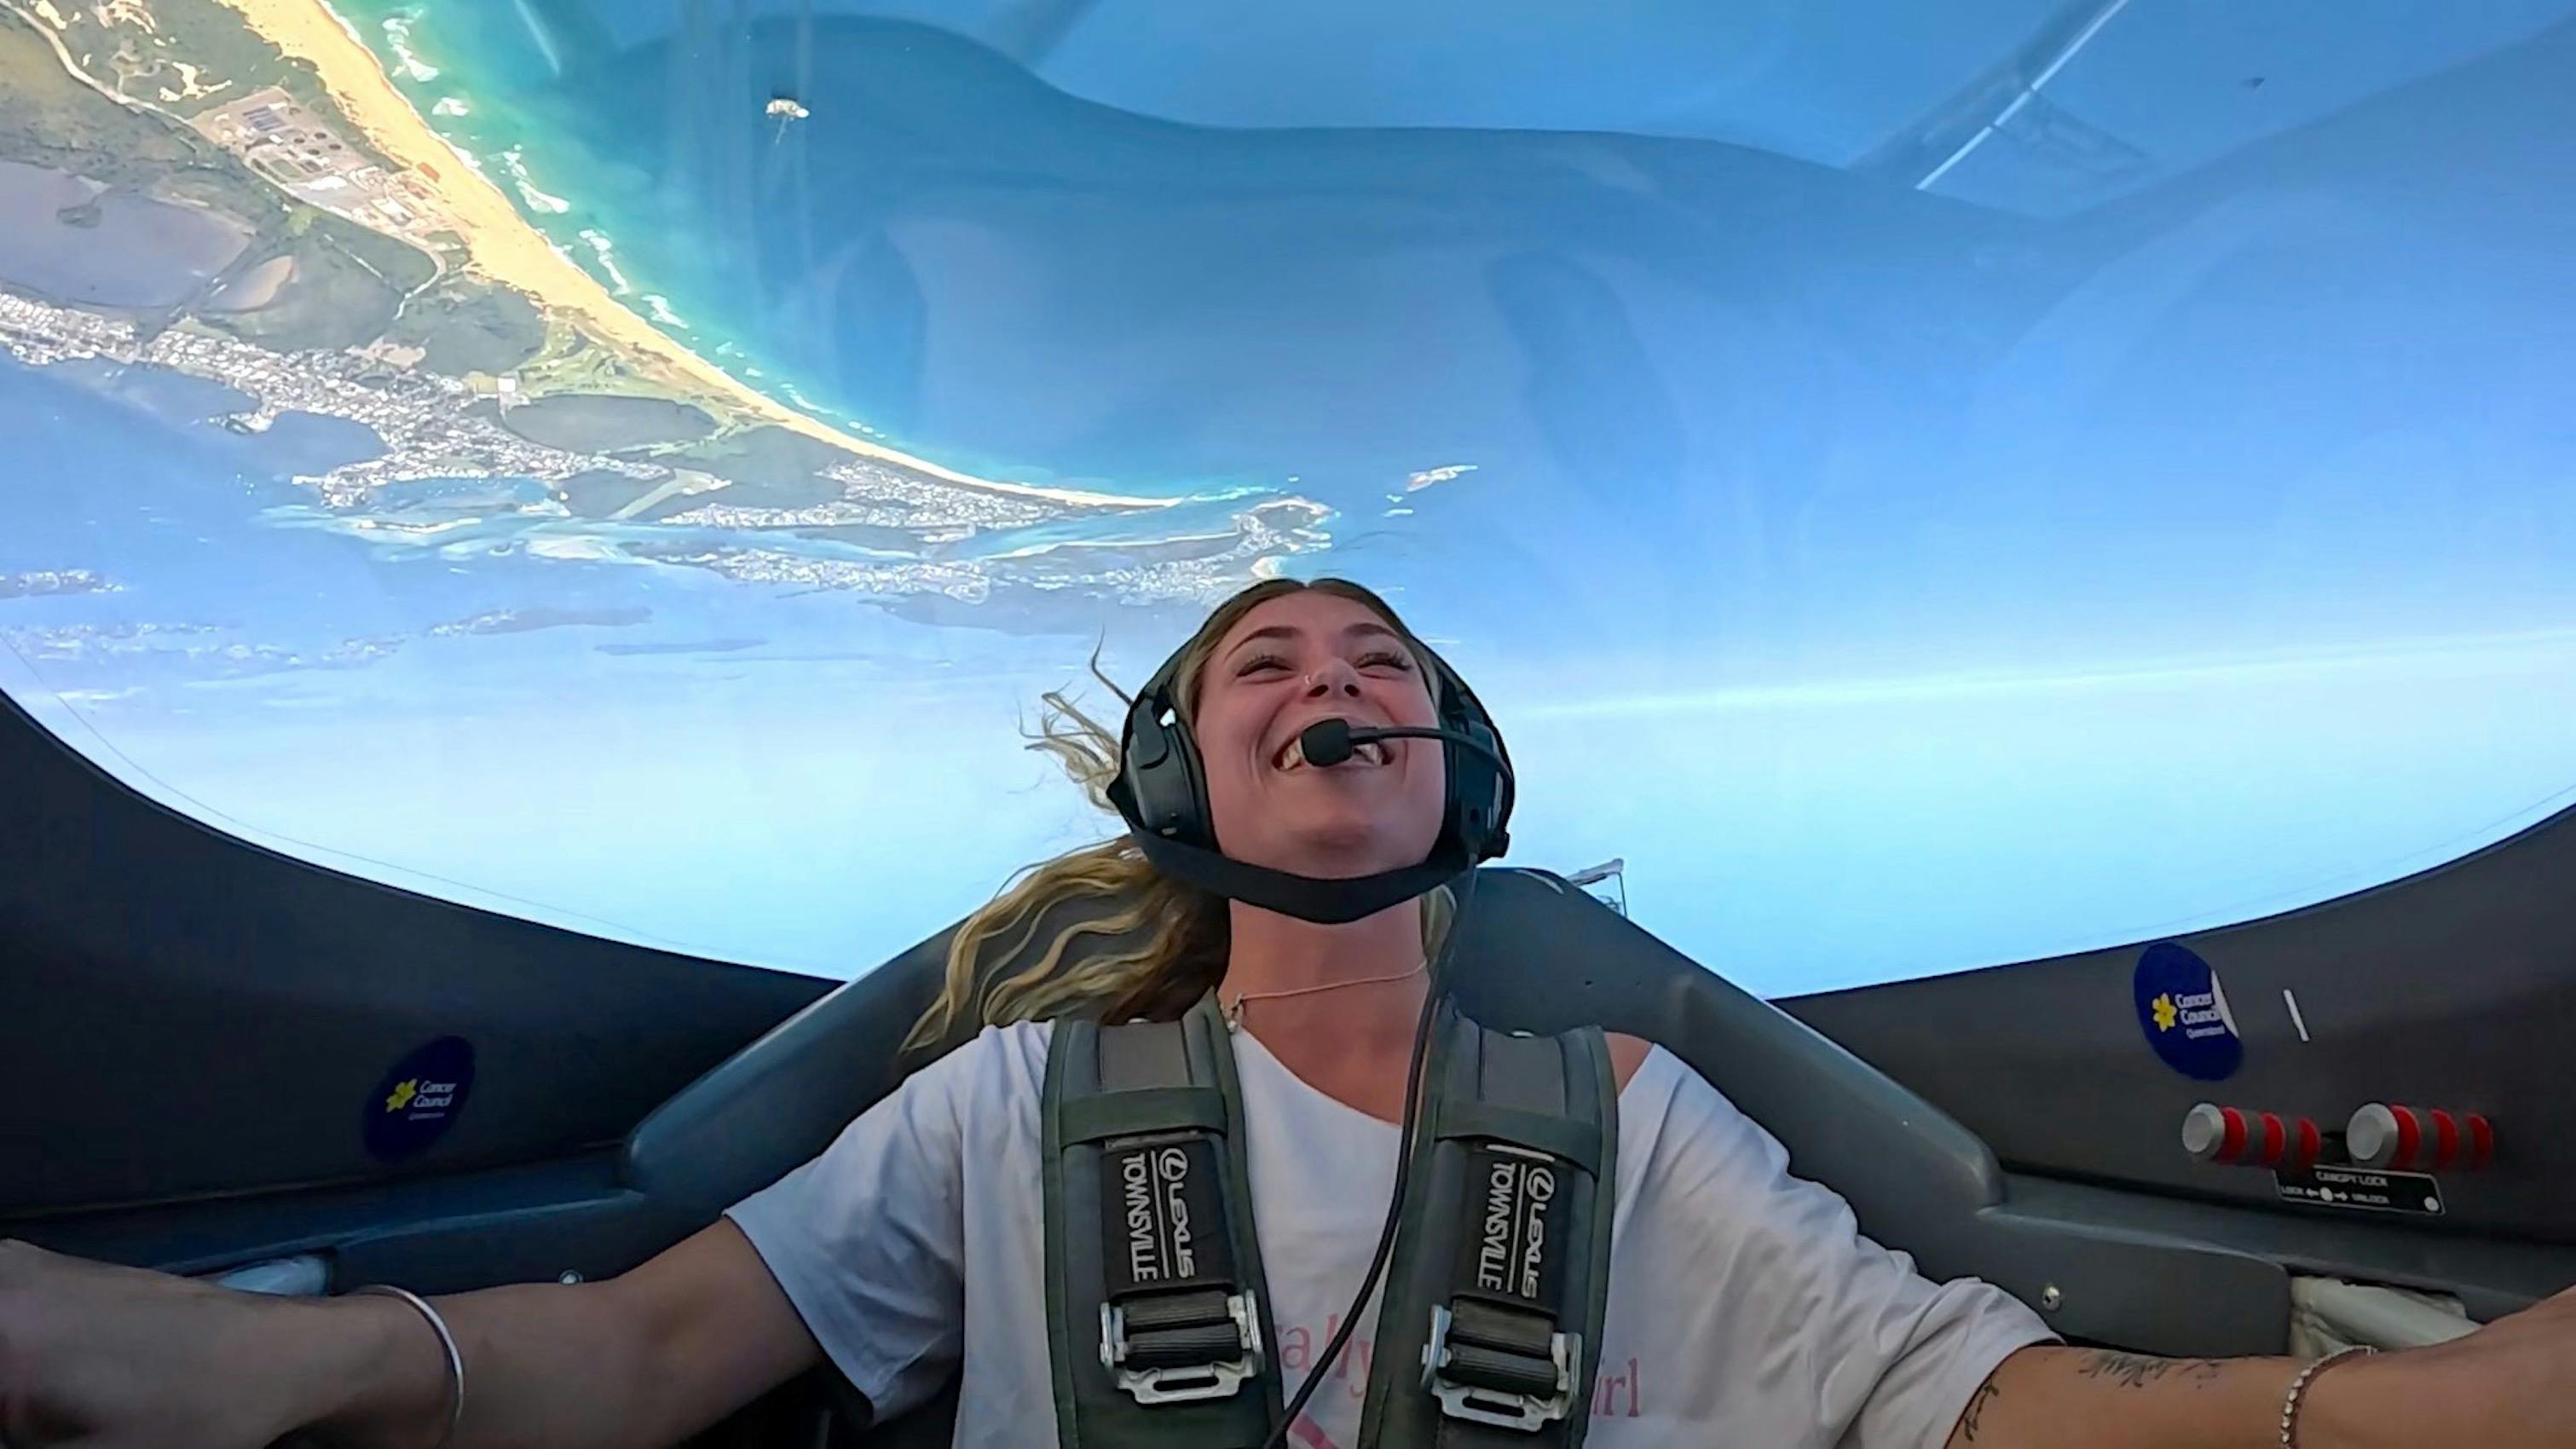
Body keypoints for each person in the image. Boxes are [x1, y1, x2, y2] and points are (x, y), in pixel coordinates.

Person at [2, 575, 2572, 1449]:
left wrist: (2421, 1409)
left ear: (1458, 776)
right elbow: (648, 1352)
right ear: (1183, 773)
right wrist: (257, 1367)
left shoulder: (1629, 1113)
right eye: (1271, 660)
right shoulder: (1015, 1105)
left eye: (1382, 664)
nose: (1335, 678)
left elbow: (1982, 1407)